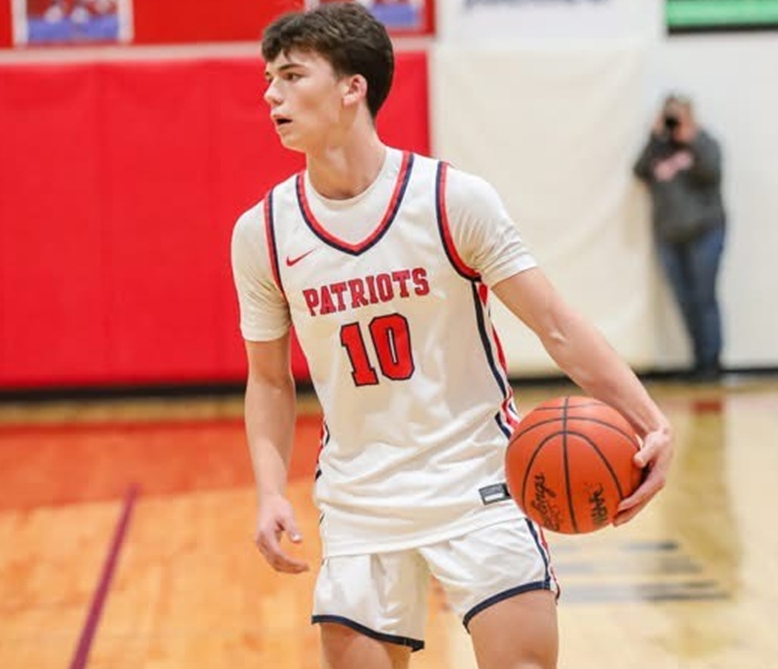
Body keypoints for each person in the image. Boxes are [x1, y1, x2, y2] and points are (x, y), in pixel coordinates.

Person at [230, 4, 674, 668]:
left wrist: (649, 421)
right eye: (269, 78)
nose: (272, 94)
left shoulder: (449, 200)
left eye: (292, 76)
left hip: (478, 484)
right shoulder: (262, 232)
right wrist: (269, 491)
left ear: (352, 88)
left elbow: (556, 325)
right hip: (360, 501)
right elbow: (268, 379)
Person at [634, 93, 726, 382]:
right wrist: (654, 137)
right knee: (684, 301)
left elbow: (712, 173)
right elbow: (638, 171)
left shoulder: (705, 142)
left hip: (705, 232)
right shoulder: (659, 148)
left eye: (679, 115)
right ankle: (697, 362)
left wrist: (691, 140)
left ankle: (711, 364)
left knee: (704, 298)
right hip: (669, 236)